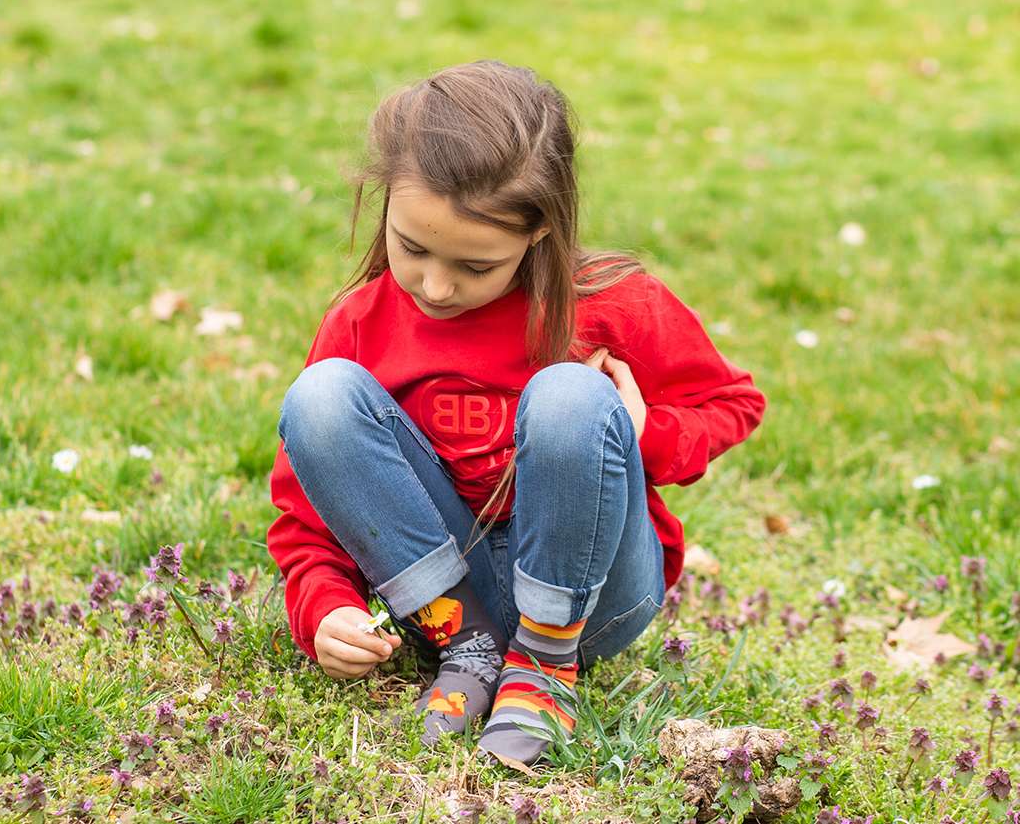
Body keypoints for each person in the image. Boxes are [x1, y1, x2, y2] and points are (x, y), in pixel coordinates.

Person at [266, 60, 767, 767]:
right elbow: (308, 507)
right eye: (413, 248)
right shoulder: (362, 320)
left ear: (538, 233)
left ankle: (543, 660)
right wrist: (324, 606)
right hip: (435, 608)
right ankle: (468, 645)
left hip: (594, 603)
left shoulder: (611, 302)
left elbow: (734, 404)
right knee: (319, 397)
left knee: (569, 396)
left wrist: (642, 429)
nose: (435, 286)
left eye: (476, 267)